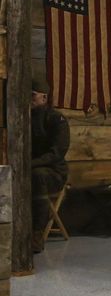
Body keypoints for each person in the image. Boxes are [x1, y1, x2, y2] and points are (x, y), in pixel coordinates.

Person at [31, 78, 69, 254]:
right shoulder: (24, 118)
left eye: (33, 95)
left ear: (44, 98)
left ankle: (36, 234)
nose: (29, 99)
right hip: (31, 168)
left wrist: (30, 164)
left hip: (55, 172)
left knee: (37, 175)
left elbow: (57, 153)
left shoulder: (56, 119)